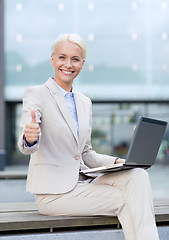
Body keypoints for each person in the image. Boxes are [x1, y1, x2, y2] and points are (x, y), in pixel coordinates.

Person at [18, 33, 159, 240]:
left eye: (75, 59)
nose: (68, 64)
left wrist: (121, 162)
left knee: (138, 176)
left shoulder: (85, 103)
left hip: (84, 185)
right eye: (62, 57)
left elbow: (85, 153)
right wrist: (30, 138)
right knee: (128, 199)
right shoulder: (36, 94)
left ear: (82, 64)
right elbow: (26, 145)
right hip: (53, 194)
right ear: (52, 60)